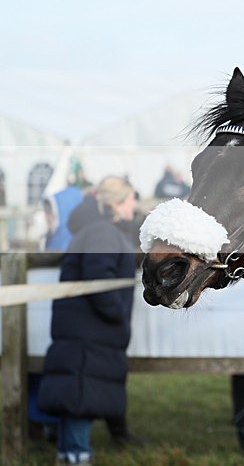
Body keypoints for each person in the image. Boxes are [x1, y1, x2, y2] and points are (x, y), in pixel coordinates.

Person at [37, 176, 139, 465]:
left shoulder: (99, 230)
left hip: (87, 334)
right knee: (79, 399)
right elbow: (98, 276)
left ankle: (70, 453)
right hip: (89, 335)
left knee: (77, 398)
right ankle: (76, 457)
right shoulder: (102, 233)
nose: (134, 205)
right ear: (117, 203)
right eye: (131, 199)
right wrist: (117, 313)